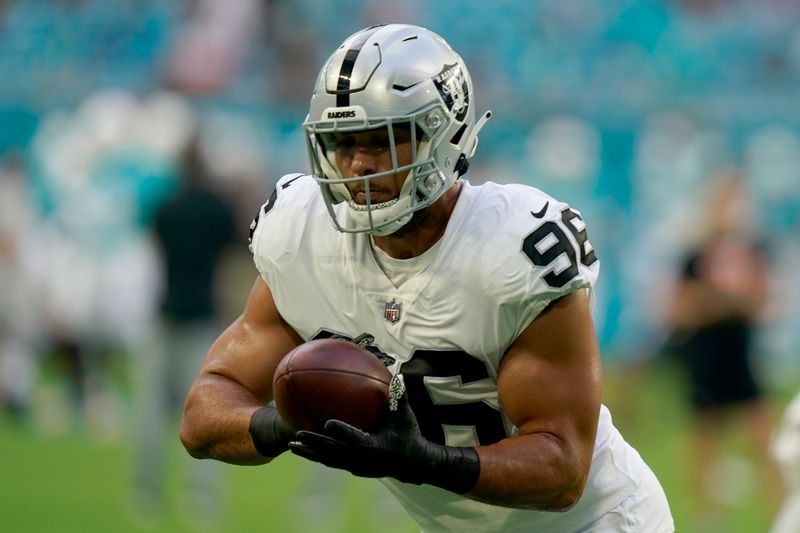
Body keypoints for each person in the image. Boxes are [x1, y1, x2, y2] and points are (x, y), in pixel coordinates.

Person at [180, 23, 674, 532]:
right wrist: (282, 424)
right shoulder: (302, 235)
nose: (355, 166)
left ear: (445, 136)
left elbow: (563, 468)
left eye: (380, 143)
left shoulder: (513, 250)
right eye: (341, 143)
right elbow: (204, 412)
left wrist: (424, 461)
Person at [664, 170, 782, 521]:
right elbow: (680, 309)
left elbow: (761, 303)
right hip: (706, 354)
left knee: (763, 432)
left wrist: (719, 302)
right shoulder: (695, 254)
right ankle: (704, 511)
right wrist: (726, 302)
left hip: (740, 351)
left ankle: (777, 507)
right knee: (703, 435)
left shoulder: (754, 251)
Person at [132, 136, 236, 527]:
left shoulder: (166, 208)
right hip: (203, 320)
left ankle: (145, 491)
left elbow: (155, 248)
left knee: (150, 413)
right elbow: (233, 251)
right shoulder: (217, 209)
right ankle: (201, 495)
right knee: (208, 414)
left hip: (166, 315)